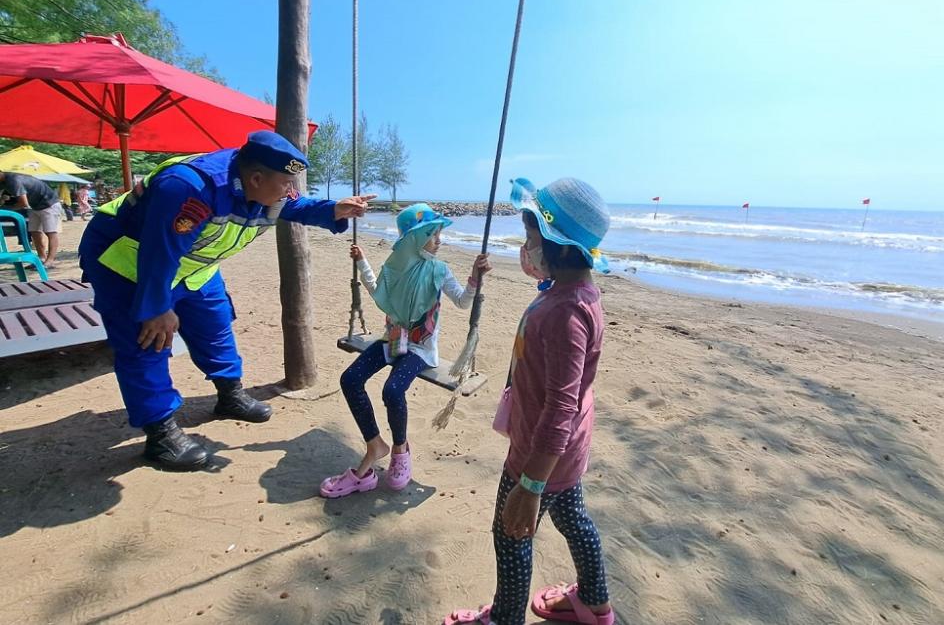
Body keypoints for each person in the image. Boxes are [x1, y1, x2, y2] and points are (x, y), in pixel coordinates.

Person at [78, 130, 372, 471]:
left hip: (194, 265)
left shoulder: (264, 185)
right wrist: (157, 307)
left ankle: (229, 394)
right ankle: (160, 431)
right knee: (148, 342)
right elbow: (158, 253)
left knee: (215, 325)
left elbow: (292, 204)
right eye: (286, 183)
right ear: (256, 178)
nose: (291, 190)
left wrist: (334, 209)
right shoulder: (190, 187)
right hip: (129, 263)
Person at [445, 178, 615, 625]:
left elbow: (560, 406)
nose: (527, 248)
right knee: (574, 518)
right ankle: (595, 603)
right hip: (566, 448)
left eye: (531, 237)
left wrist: (530, 485)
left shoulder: (564, 313)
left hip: (538, 456)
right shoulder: (573, 293)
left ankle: (504, 618)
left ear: (559, 247)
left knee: (512, 531)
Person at [319, 203, 491, 498]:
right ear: (415, 238)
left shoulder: (439, 270)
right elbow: (377, 290)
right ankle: (376, 445)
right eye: (432, 234)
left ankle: (400, 452)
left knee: (392, 391)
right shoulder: (396, 266)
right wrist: (361, 263)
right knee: (350, 379)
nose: (439, 240)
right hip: (393, 338)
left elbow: (463, 301)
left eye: (438, 234)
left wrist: (475, 276)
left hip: (420, 348)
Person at [0, 170, 63, 266]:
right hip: (34, 206)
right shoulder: (3, 182)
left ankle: (50, 261)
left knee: (51, 233)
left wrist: (8, 208)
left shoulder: (13, 180)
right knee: (35, 232)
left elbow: (23, 203)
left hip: (49, 204)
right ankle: (42, 258)